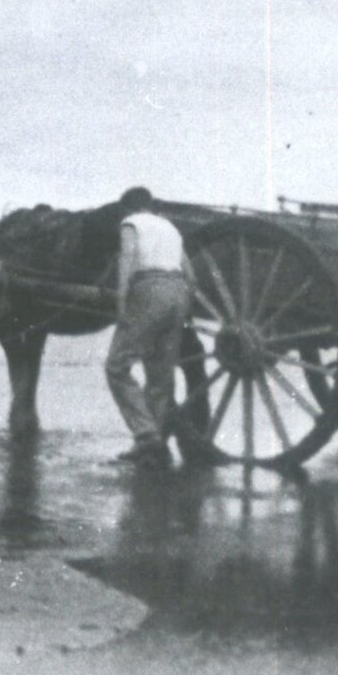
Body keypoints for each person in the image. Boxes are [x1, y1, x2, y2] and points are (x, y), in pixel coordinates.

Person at [105, 186, 191, 466]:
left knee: (117, 366)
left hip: (149, 290)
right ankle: (150, 444)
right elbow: (190, 272)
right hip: (178, 291)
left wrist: (121, 301)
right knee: (159, 374)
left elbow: (127, 258)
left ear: (128, 208)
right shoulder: (169, 227)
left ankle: (145, 435)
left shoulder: (131, 224)